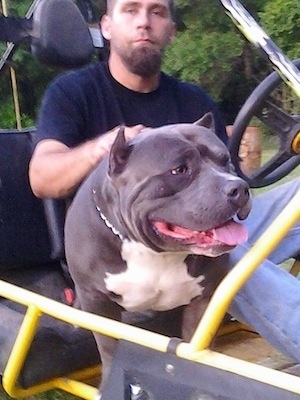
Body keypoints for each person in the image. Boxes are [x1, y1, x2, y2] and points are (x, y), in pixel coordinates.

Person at [29, 0, 300, 362]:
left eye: (157, 12)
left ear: (171, 30)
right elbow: (42, 177)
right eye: (131, 10)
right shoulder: (73, 93)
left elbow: (225, 181)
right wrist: (104, 146)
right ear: (106, 26)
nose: (144, 22)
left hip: (211, 222)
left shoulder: (193, 100)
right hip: (118, 247)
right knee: (237, 261)